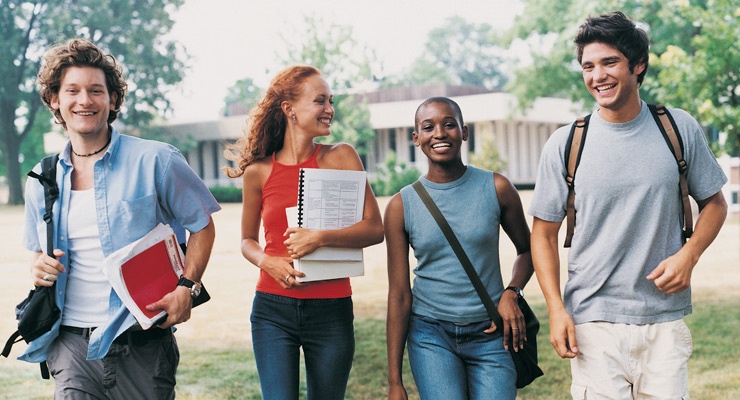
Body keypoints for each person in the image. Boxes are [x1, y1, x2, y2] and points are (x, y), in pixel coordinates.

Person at [528, 11, 728, 399]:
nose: (597, 75)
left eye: (609, 62)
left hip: (664, 319)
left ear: (638, 65)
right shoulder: (566, 143)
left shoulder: (677, 128)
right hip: (593, 320)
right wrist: (556, 308)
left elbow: (715, 204)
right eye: (588, 66)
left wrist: (689, 255)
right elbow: (543, 233)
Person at [22, 38, 220, 399]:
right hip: (70, 345)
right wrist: (38, 267)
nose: (85, 100)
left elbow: (203, 225)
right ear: (55, 99)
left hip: (141, 343)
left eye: (96, 90)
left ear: (112, 99)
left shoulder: (158, 160)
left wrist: (186, 288)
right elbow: (38, 254)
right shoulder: (41, 177)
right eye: (73, 90)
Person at [224, 65, 384, 400]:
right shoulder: (258, 172)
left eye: (331, 101)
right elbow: (246, 241)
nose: (330, 109)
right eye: (321, 101)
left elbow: (374, 227)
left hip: (332, 310)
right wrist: (267, 261)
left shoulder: (341, 156)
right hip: (272, 310)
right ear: (290, 109)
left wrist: (320, 237)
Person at [385, 97, 536, 400]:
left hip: (492, 332)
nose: (439, 133)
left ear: (464, 132)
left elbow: (529, 250)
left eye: (449, 124)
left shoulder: (496, 187)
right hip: (431, 334)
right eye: (428, 127)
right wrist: (394, 381)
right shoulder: (402, 205)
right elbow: (400, 294)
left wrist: (512, 291)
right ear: (417, 139)